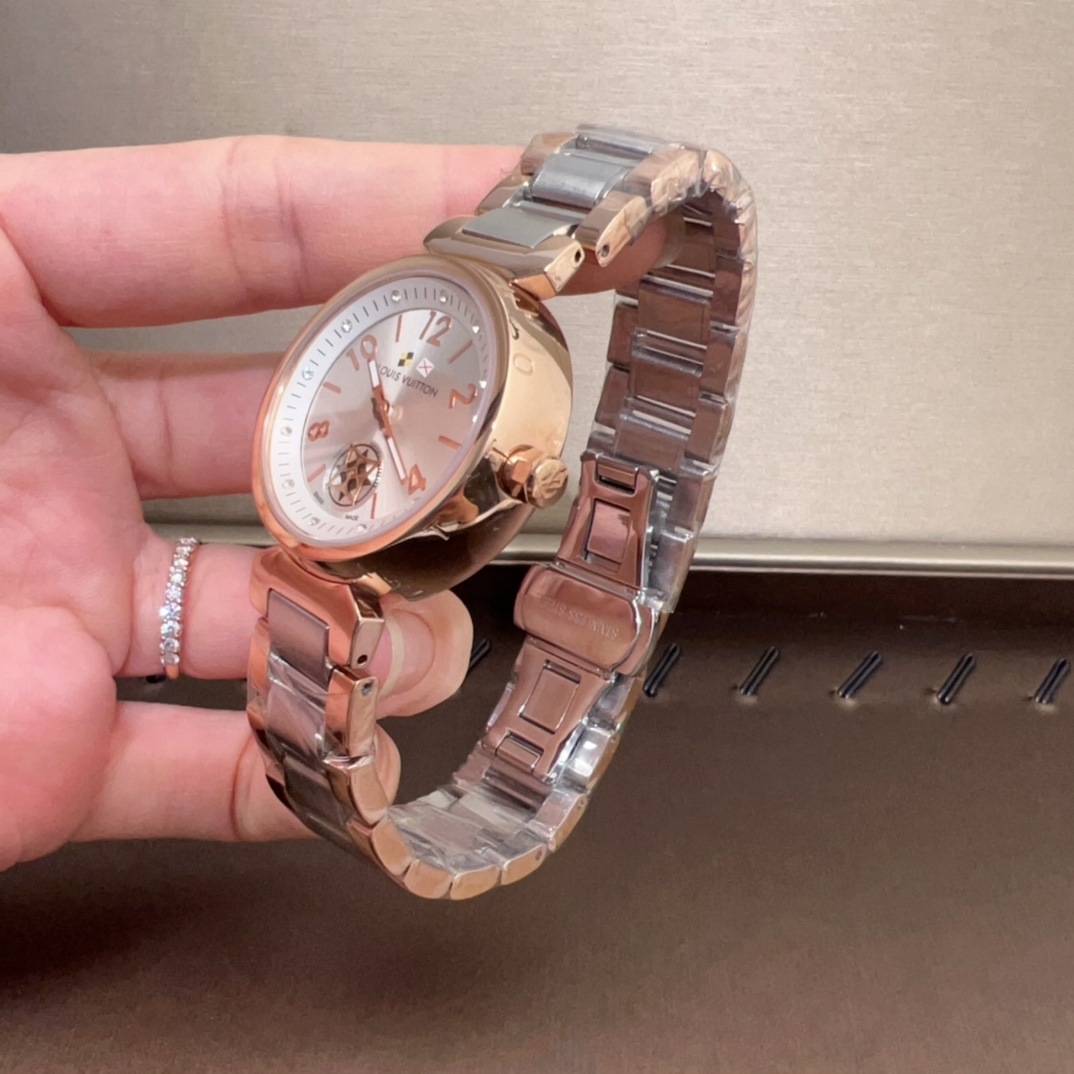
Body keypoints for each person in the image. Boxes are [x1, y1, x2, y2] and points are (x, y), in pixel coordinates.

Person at [0, 135, 665, 872]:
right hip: (338, 524)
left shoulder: (513, 445)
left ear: (526, 476)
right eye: (384, 403)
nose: (387, 408)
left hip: (390, 519)